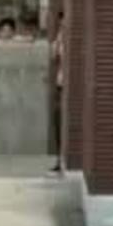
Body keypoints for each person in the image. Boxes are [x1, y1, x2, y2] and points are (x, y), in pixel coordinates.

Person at [50, 10, 65, 171]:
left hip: (67, 85)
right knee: (58, 119)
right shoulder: (61, 38)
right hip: (60, 84)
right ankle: (59, 158)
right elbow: (53, 56)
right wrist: (59, 38)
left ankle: (62, 158)